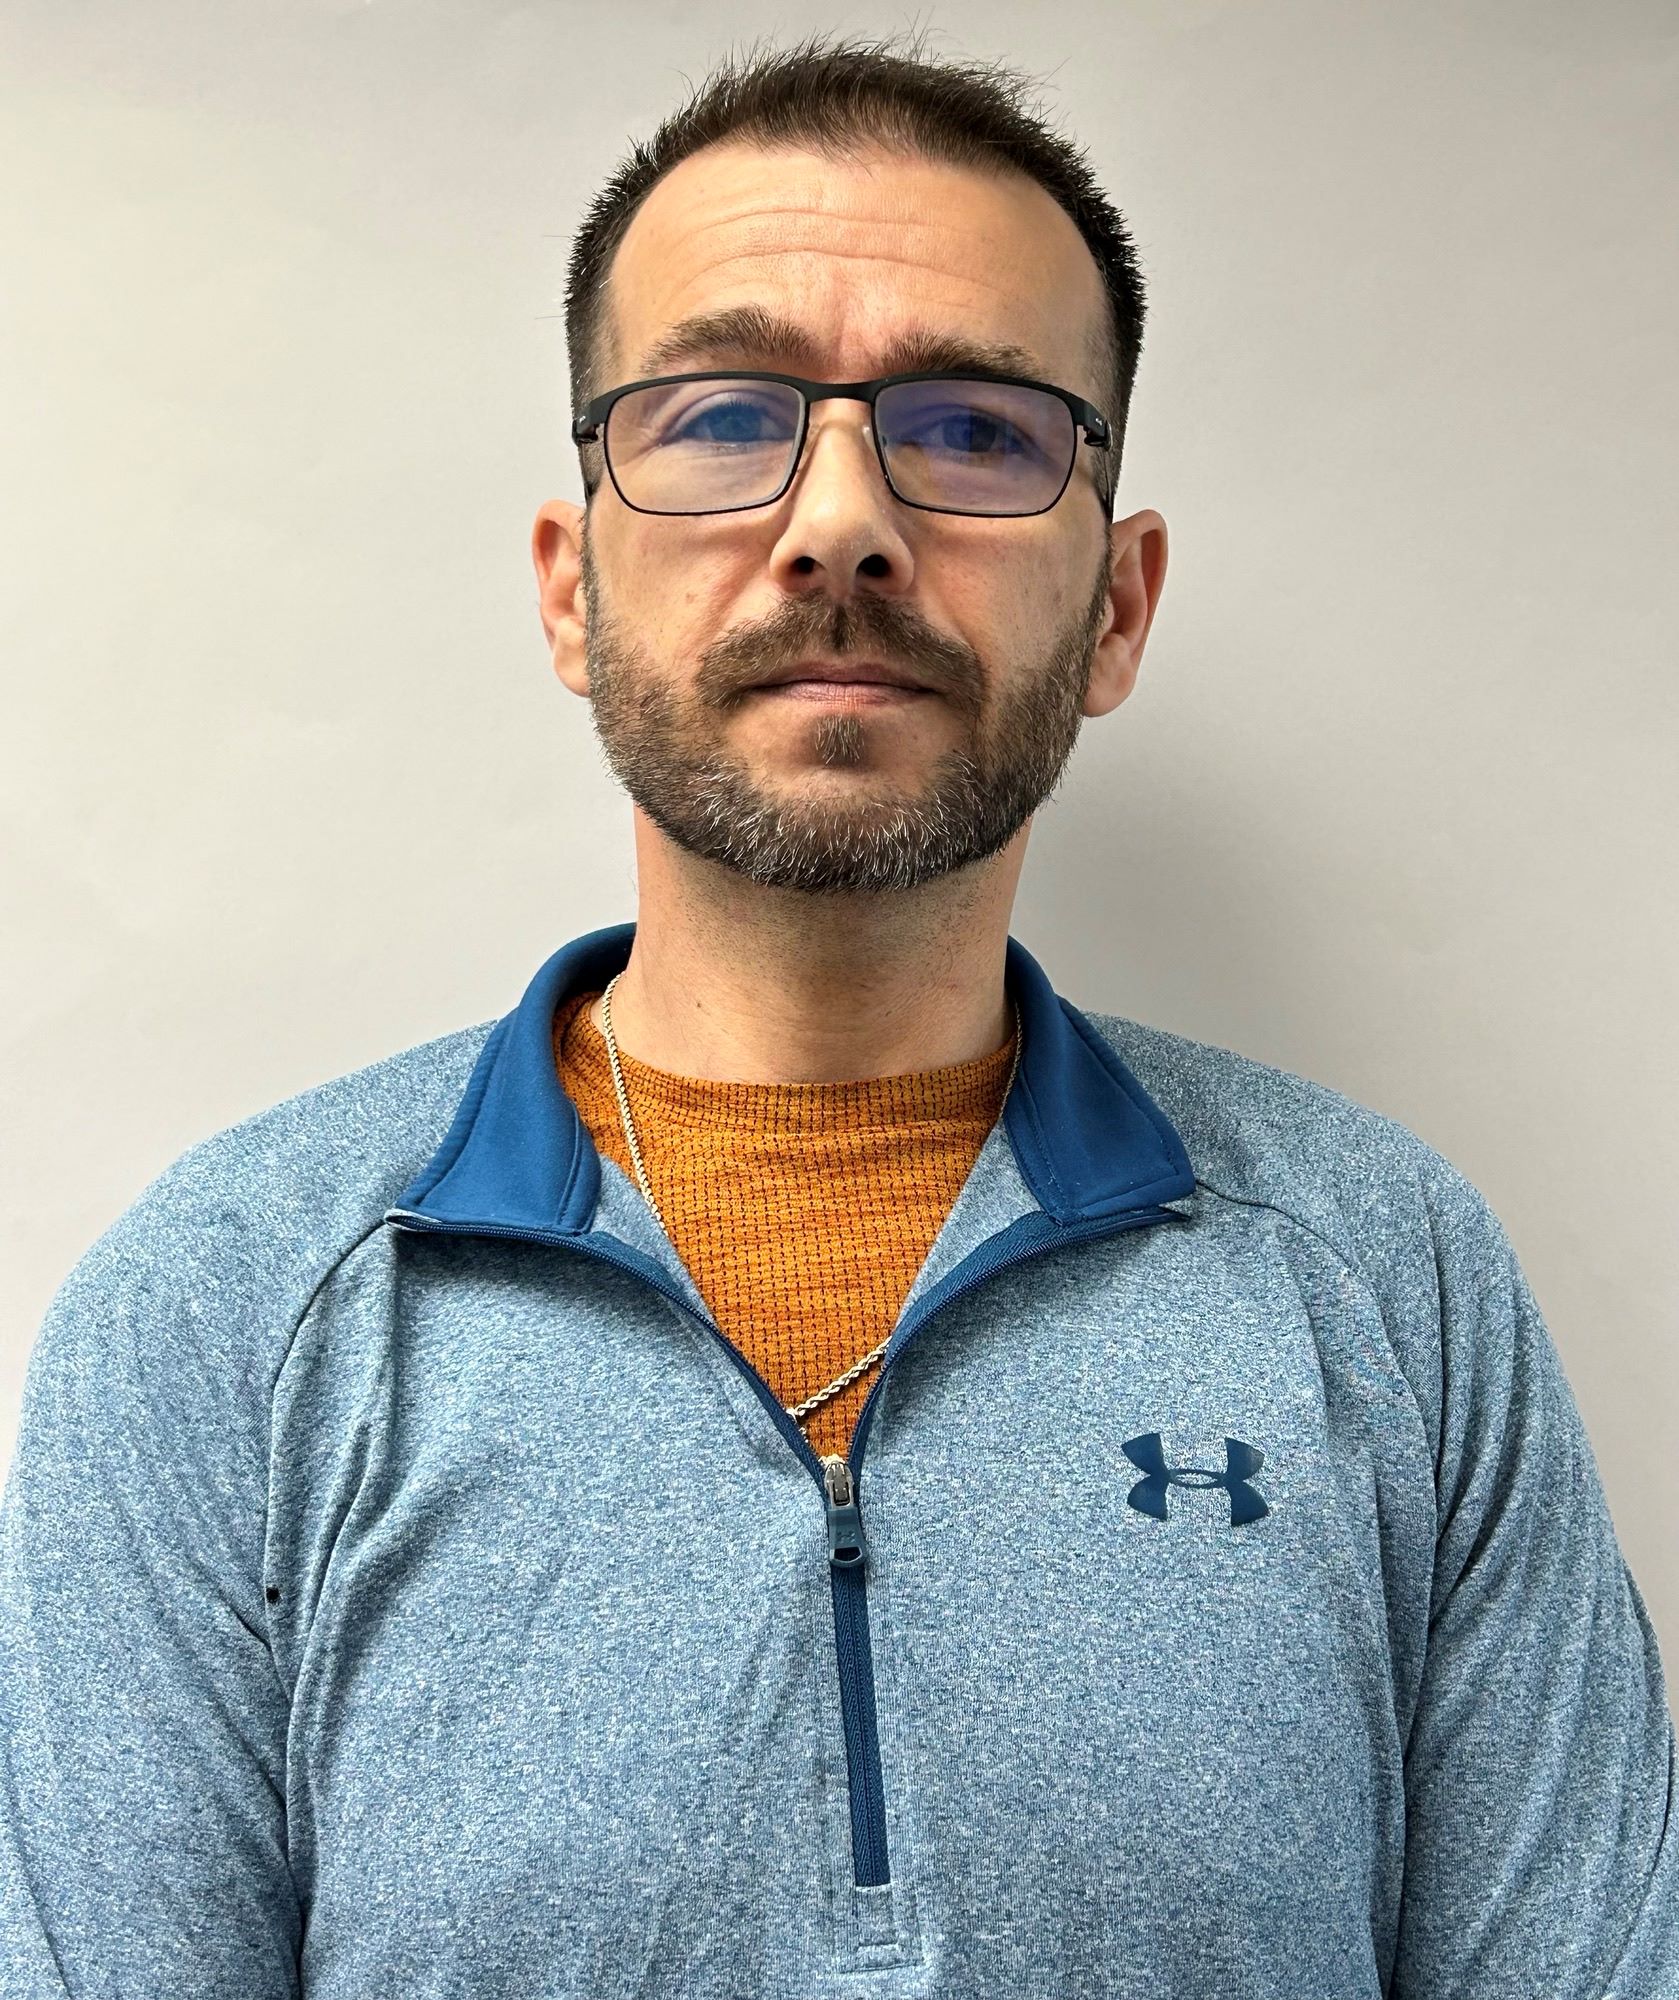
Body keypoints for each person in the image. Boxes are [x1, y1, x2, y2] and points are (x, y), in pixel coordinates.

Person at [1, 29, 1674, 2000]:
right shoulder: (225, 1312)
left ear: (1117, 607)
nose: (841, 522)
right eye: (724, 416)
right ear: (572, 590)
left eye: (975, 429)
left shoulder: (1390, 1284)